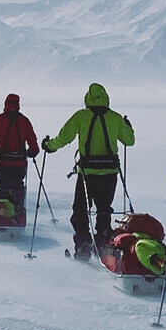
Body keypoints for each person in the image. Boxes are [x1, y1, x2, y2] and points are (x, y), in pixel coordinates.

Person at [45, 82, 134, 261]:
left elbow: (63, 137)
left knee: (80, 210)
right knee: (103, 210)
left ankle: (83, 245)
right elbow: (129, 141)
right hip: (110, 174)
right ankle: (103, 245)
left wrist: (49, 146)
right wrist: (128, 126)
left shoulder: (81, 116)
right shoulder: (115, 118)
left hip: (87, 174)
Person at [0, 92, 40, 209]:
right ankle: (18, 209)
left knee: (3, 187)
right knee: (17, 186)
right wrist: (32, 152)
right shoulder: (24, 121)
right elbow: (33, 144)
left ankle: (3, 212)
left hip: (4, 163)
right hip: (20, 164)